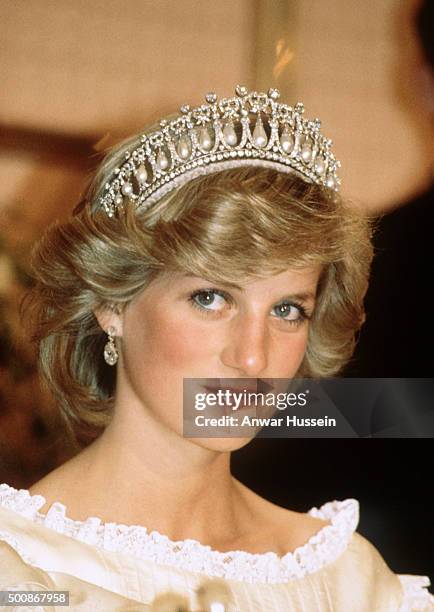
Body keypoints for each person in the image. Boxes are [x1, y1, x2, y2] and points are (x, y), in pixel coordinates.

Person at [0, 86, 432, 611]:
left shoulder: (353, 582)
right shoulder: (21, 573)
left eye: (287, 310)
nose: (252, 359)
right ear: (113, 303)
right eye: (211, 298)